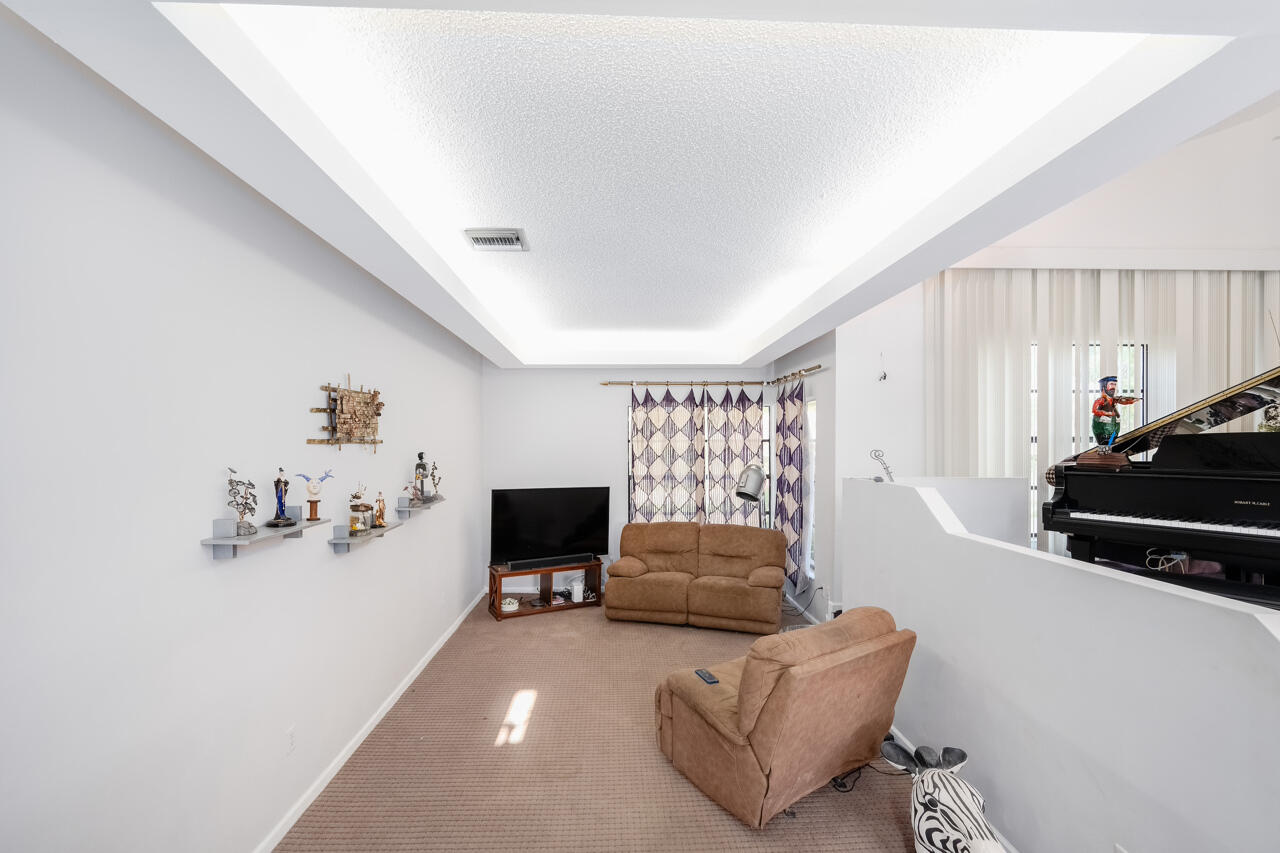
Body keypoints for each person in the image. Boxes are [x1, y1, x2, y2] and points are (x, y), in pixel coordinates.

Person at [1091, 376, 1138, 447]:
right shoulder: (1101, 400)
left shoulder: (1113, 400)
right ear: (1104, 386)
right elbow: (1094, 410)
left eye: (1115, 384)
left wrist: (1132, 401)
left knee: (1111, 447)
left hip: (1114, 432)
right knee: (1105, 448)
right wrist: (1106, 413)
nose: (1113, 387)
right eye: (1111, 384)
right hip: (1102, 432)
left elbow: (1123, 401)